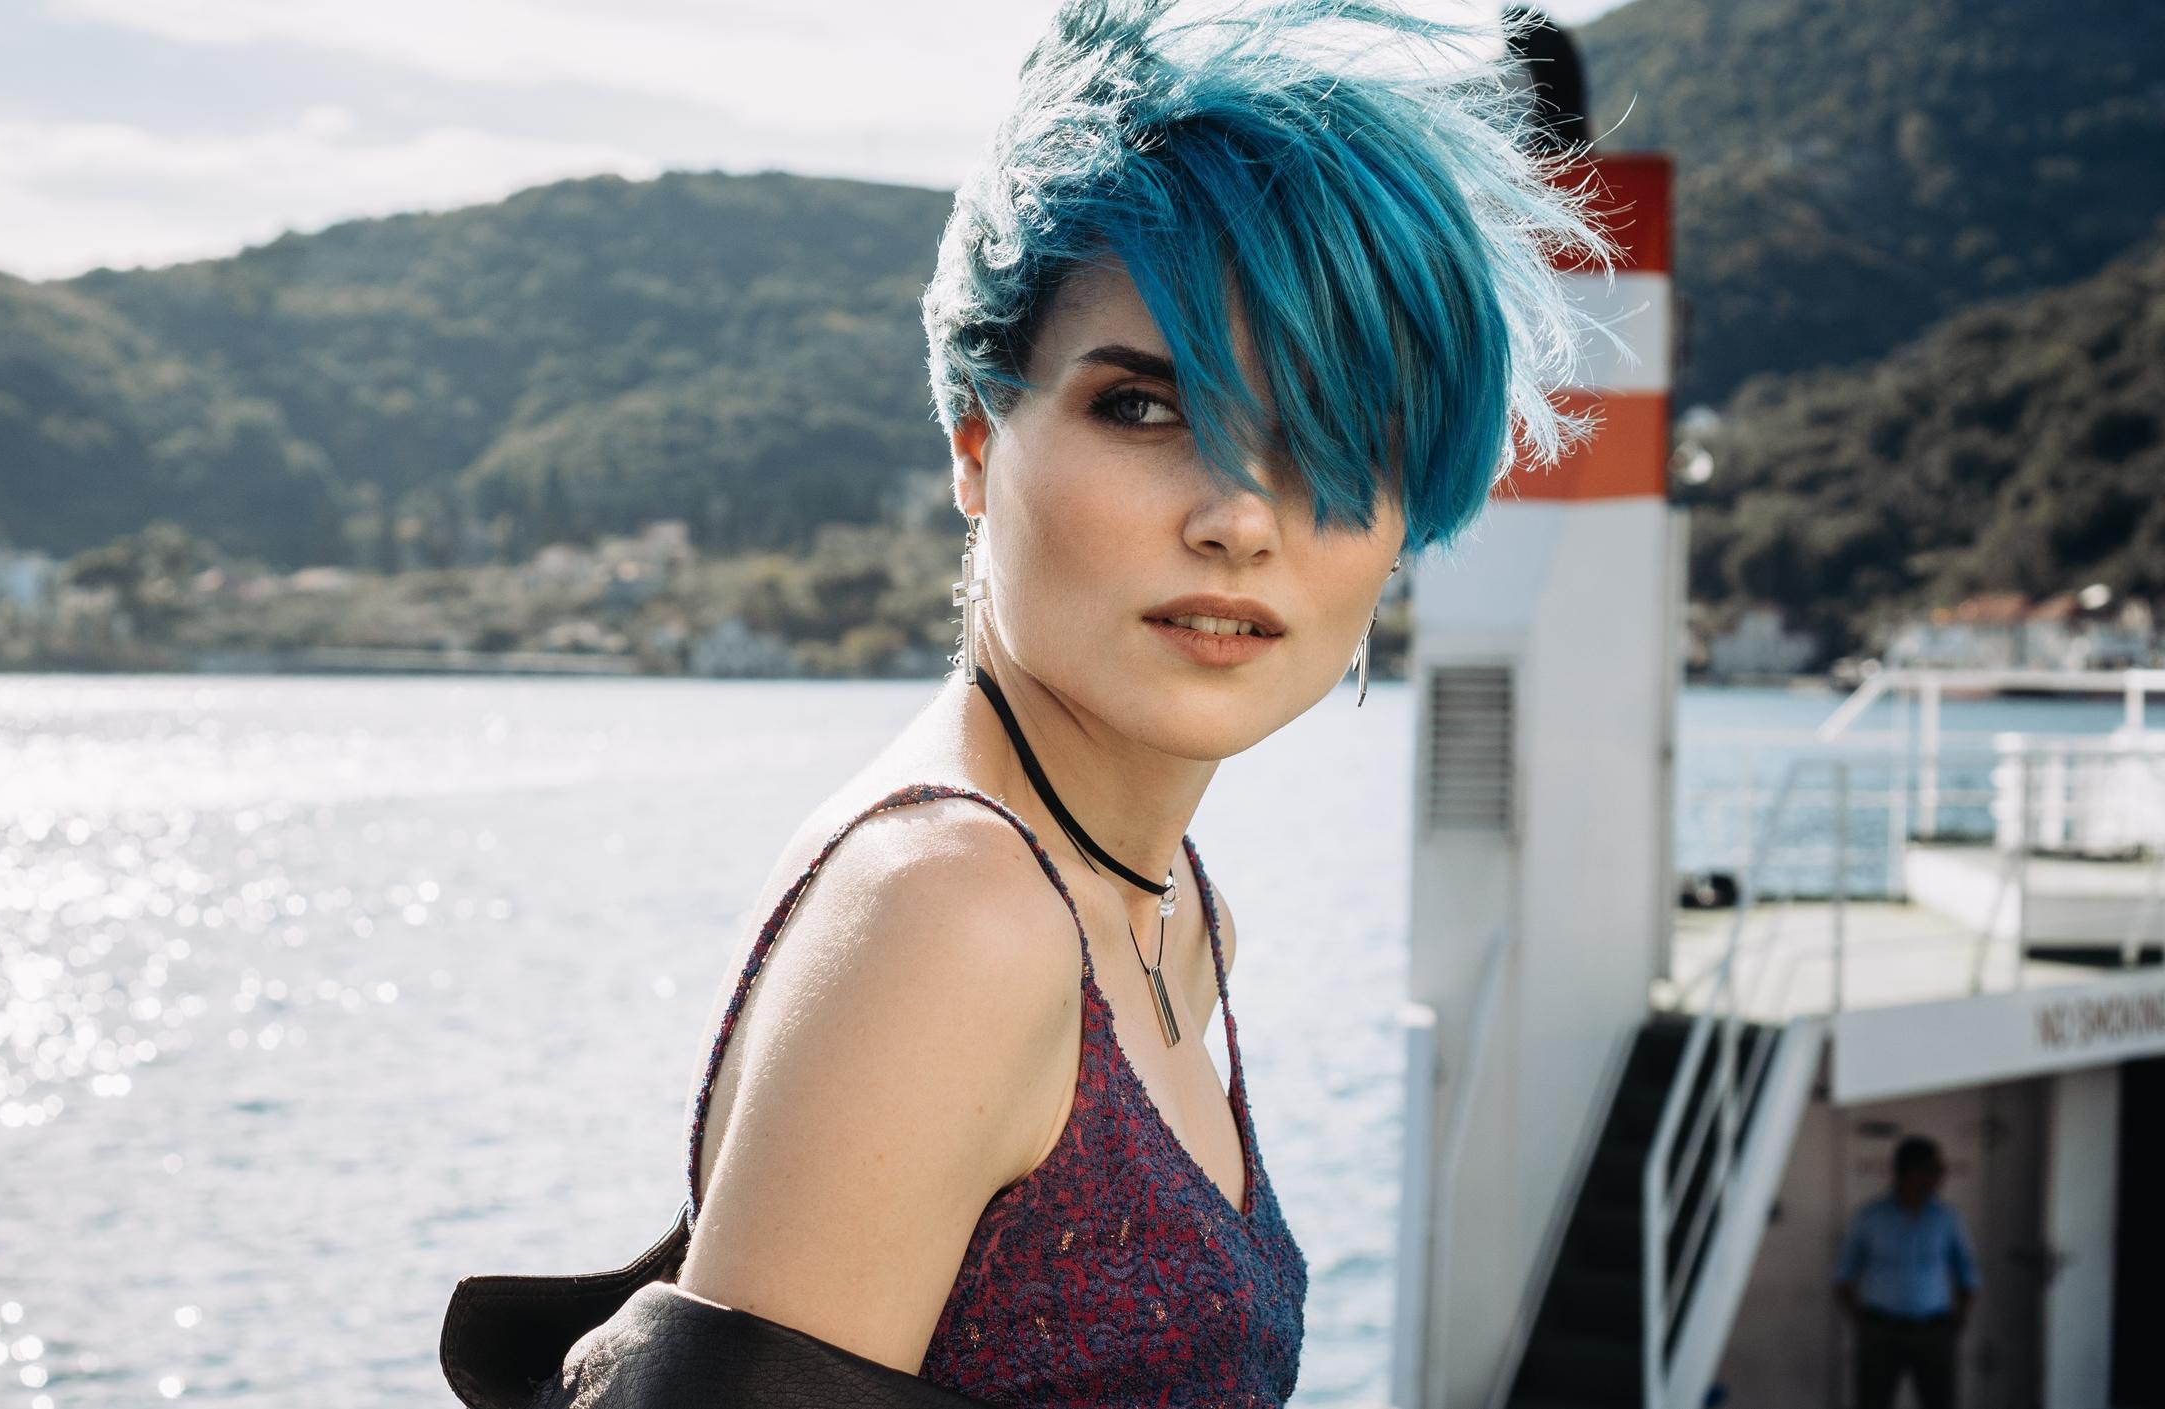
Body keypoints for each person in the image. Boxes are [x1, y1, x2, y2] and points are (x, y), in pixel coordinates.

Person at [660, 2, 1614, 1404]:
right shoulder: (955, 909)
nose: (1240, 517)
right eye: (1147, 409)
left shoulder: (1172, 910)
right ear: (976, 439)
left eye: (1335, 434)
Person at [1833, 1135, 1980, 1409]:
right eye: (1930, 1170)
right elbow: (1844, 1276)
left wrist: (1956, 1323)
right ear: (1907, 1172)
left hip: (1933, 1332)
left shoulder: (1947, 1218)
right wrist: (1863, 1325)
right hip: (1881, 1332)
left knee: (1940, 1402)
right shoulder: (1870, 1217)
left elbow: (1967, 1276)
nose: (1938, 1178)